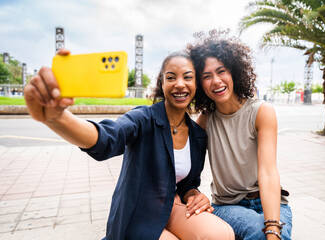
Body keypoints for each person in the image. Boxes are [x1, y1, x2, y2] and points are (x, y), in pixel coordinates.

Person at [23, 49, 234, 240]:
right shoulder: (142, 118)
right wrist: (58, 118)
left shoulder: (197, 134)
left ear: (196, 85)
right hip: (138, 212)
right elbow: (108, 138)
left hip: (171, 205)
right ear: (162, 83)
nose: (179, 84)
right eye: (171, 77)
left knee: (221, 234)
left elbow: (188, 183)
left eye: (188, 77)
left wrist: (194, 194)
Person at [187, 33, 292, 240]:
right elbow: (188, 169)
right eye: (207, 76)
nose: (216, 81)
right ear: (200, 83)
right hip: (227, 206)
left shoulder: (261, 112)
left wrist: (272, 226)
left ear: (234, 72)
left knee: (274, 235)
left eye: (221, 71)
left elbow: (268, 173)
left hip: (270, 201)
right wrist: (192, 193)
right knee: (257, 231)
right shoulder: (206, 120)